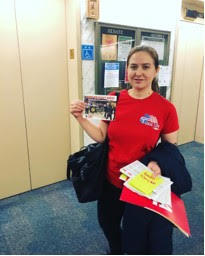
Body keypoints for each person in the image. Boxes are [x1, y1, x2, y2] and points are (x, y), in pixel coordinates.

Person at [70, 45, 179, 255]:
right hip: (110, 180)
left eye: (146, 67)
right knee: (109, 226)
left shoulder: (165, 108)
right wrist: (80, 117)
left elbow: (170, 148)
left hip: (140, 186)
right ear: (126, 70)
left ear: (156, 71)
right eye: (133, 66)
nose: (139, 72)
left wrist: (157, 162)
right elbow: (102, 136)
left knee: (136, 235)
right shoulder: (113, 98)